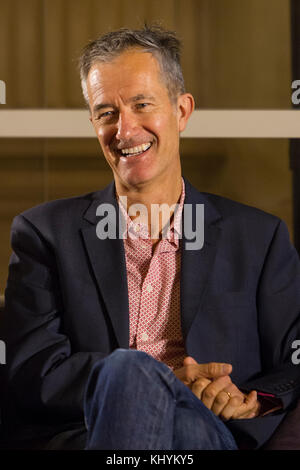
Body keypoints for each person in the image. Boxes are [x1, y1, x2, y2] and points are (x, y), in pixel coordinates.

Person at [1, 25, 300, 451]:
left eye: (142, 105)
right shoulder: (44, 234)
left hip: (205, 432)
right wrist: (149, 379)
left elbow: (295, 358)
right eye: (106, 113)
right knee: (127, 371)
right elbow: (32, 370)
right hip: (87, 434)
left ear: (181, 111)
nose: (124, 130)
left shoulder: (258, 237)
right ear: (93, 123)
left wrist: (253, 400)